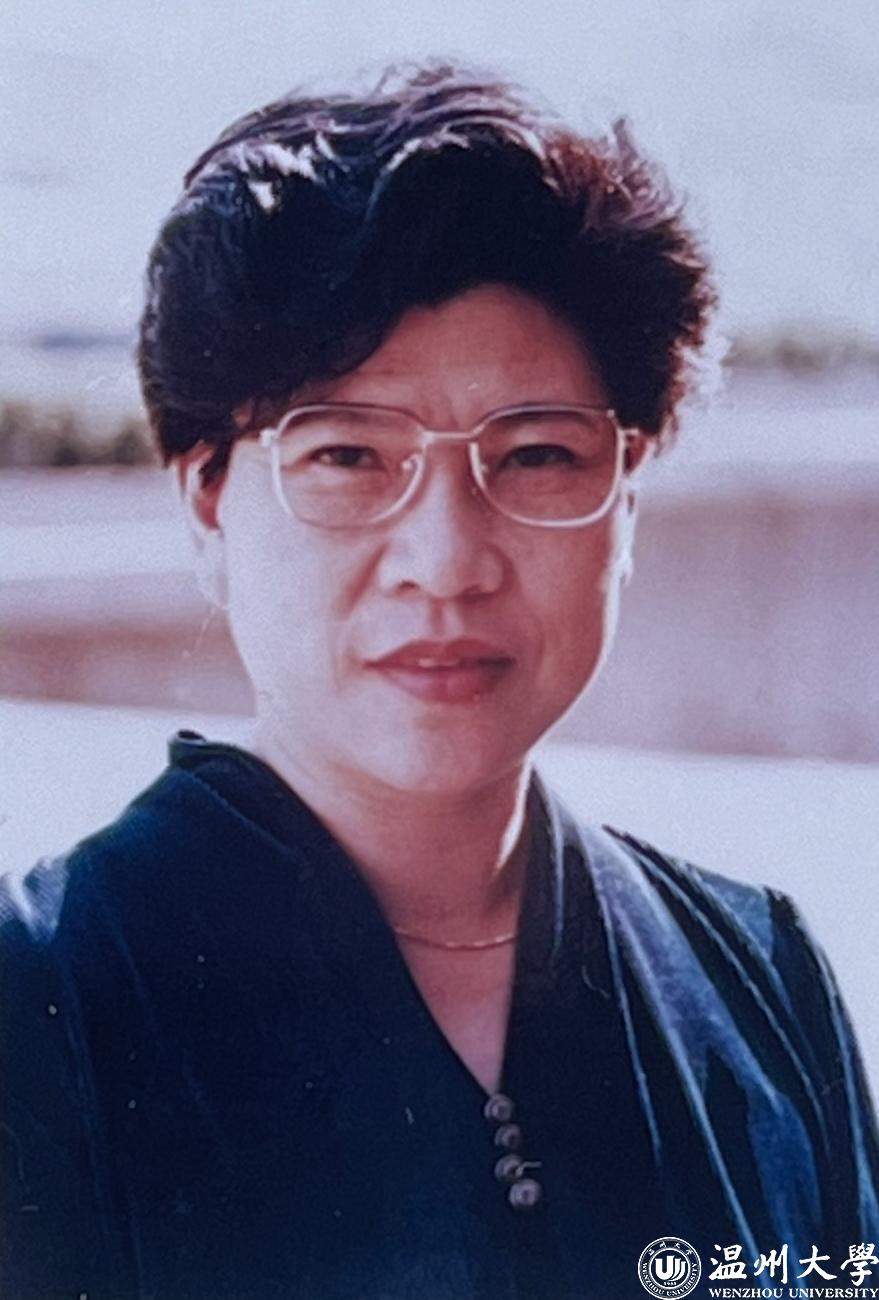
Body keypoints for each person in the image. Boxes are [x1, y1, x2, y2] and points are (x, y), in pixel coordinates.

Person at [2, 61, 877, 1300]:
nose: (447, 560)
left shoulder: (761, 981)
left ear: (628, 492)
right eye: (348, 455)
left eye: (537, 454)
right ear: (206, 499)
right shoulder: (42, 1003)